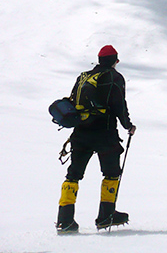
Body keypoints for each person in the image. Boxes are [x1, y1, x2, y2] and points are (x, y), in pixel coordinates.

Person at [56, 45, 136, 234]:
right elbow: (119, 105)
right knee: (111, 173)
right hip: (104, 133)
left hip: (81, 132)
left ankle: (64, 220)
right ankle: (106, 216)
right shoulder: (114, 77)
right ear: (115, 60)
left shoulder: (84, 76)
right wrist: (128, 125)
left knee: (73, 174)